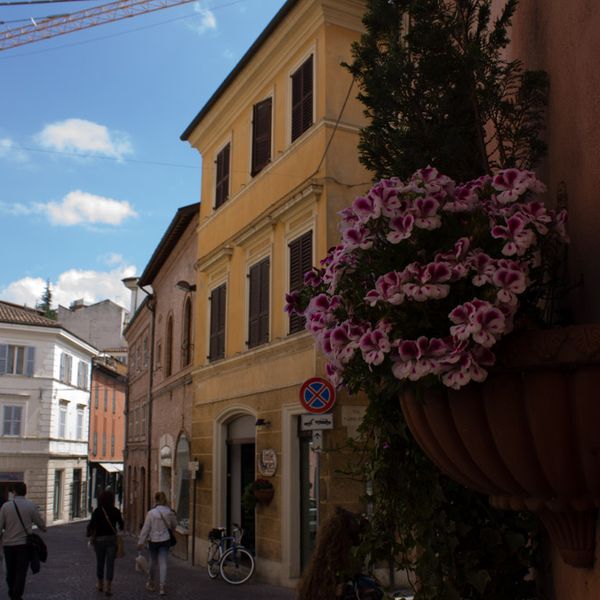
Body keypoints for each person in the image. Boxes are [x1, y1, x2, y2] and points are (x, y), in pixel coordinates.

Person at [0, 481, 46, 600]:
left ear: (14, 492)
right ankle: (16, 595)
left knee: (10, 571)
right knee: (21, 572)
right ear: (25, 492)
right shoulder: (30, 505)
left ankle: (13, 593)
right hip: (24, 545)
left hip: (9, 544)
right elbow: (41, 524)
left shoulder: (6, 507)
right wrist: (42, 527)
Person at [137, 492, 177, 596]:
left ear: (156, 500)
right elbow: (174, 525)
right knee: (163, 563)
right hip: (165, 540)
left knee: (152, 562)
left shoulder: (151, 513)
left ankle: (151, 583)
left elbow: (146, 529)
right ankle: (162, 587)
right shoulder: (169, 512)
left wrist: (141, 542)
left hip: (153, 540)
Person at [87, 489, 124, 597]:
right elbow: (121, 525)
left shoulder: (97, 511)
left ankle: (100, 584)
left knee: (100, 562)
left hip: (99, 540)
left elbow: (91, 525)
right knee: (110, 563)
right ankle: (108, 586)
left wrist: (90, 533)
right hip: (111, 540)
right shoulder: (116, 511)